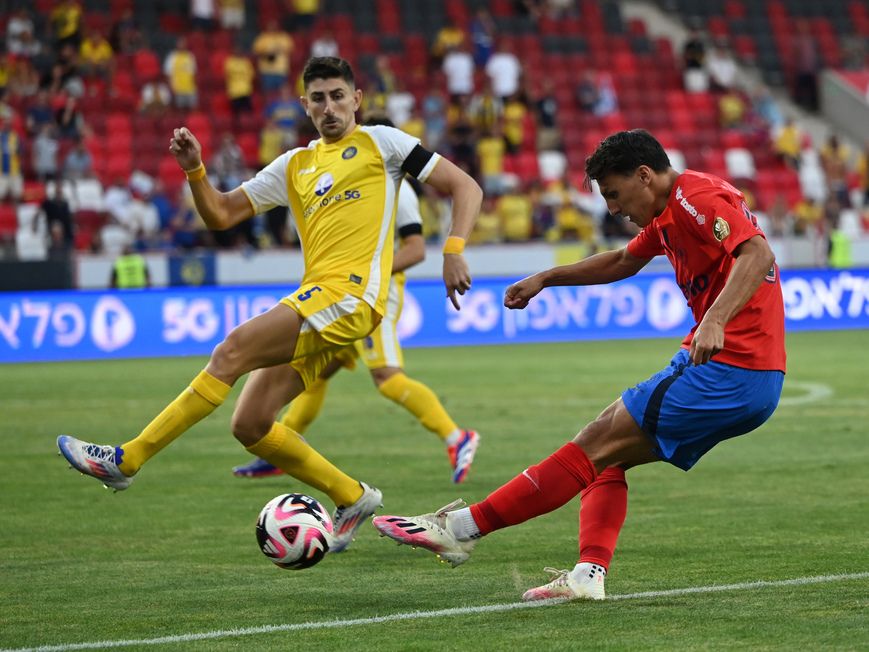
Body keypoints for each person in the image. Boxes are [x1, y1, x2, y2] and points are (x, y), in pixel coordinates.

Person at [57, 56, 482, 554]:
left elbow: (464, 186)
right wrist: (195, 170)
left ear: (357, 99)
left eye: (338, 95)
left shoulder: (381, 143)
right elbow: (220, 213)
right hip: (318, 298)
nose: (329, 107)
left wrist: (453, 251)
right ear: (304, 105)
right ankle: (352, 496)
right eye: (318, 98)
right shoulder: (294, 165)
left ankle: (126, 460)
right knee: (251, 423)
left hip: (349, 297)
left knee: (230, 351)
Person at [373, 129, 785, 601]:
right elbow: (621, 262)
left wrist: (715, 320)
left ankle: (460, 529)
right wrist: (548, 277)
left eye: (614, 193)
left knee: (591, 446)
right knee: (602, 460)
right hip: (745, 374)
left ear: (645, 176)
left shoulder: (695, 197)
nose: (612, 208)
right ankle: (588, 576)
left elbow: (757, 252)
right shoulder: (671, 211)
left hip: (729, 369)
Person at [233, 116, 481, 483]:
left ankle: (456, 436)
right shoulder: (359, 177)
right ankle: (278, 445)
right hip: (343, 294)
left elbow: (414, 250)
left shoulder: (399, 188)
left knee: (386, 375)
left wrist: (369, 270)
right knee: (317, 370)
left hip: (373, 295)